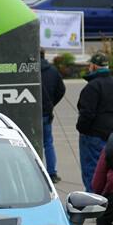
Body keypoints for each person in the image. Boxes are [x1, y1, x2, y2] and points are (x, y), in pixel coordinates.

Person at [76, 51, 113, 192]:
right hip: (111, 133)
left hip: (92, 135)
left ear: (94, 66)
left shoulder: (92, 87)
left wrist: (81, 128)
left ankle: (94, 203)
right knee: (109, 171)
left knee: (92, 171)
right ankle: (109, 201)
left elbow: (86, 113)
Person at [39, 49, 66, 183]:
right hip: (46, 112)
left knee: (29, 144)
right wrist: (51, 103)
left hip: (30, 112)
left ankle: (33, 172)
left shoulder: (27, 70)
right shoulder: (52, 71)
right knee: (48, 143)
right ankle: (51, 173)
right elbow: (61, 90)